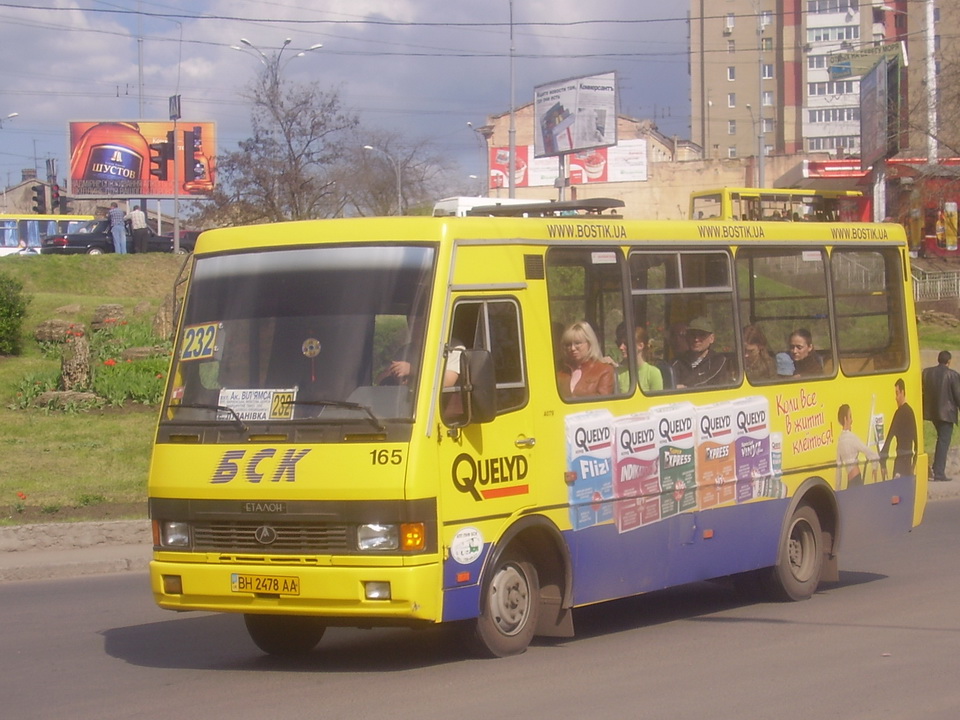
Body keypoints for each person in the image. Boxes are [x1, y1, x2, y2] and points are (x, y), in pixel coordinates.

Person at [921, 350, 960, 482]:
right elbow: (958, 396)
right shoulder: (953, 375)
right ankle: (938, 472)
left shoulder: (927, 373)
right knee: (944, 441)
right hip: (946, 414)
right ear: (949, 361)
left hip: (932, 413)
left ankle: (935, 467)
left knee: (940, 440)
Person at [556, 321, 614, 398]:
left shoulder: (604, 370)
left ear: (589, 343)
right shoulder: (559, 371)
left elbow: (602, 401)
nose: (573, 348)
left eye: (577, 343)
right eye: (568, 344)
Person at [671, 315, 729, 388]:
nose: (696, 339)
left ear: (712, 338)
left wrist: (686, 387)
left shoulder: (718, 361)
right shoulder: (677, 362)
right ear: (687, 337)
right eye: (692, 335)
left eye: (702, 335)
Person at [879, 378, 918, 479]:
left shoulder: (899, 413)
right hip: (908, 461)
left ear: (902, 392)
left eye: (897, 393)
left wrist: (882, 460)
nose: (895, 398)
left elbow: (890, 437)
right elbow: (916, 440)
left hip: (900, 462)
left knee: (896, 493)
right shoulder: (911, 412)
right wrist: (914, 463)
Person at [836, 403, 879, 488]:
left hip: (850, 482)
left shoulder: (840, 442)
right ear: (845, 419)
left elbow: (838, 469)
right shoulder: (851, 438)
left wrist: (837, 489)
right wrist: (874, 466)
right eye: (850, 416)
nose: (852, 420)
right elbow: (868, 451)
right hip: (856, 479)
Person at [615, 324, 663, 393]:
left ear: (640, 346)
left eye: (626, 344)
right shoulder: (618, 373)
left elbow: (657, 402)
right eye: (619, 343)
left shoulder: (653, 373)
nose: (621, 347)